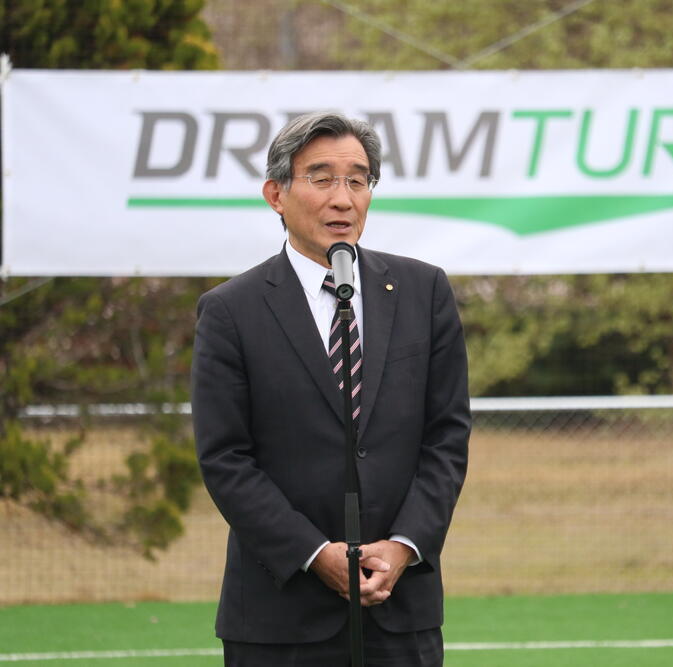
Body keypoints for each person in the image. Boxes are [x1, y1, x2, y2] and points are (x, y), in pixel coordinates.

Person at [192, 111, 471, 666]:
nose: (343, 199)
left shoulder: (424, 292)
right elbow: (225, 457)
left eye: (358, 181)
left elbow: (447, 437)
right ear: (276, 194)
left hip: (400, 607)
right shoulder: (230, 311)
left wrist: (404, 546)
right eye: (321, 179)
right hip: (280, 616)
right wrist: (314, 553)